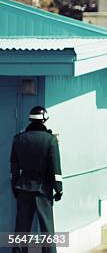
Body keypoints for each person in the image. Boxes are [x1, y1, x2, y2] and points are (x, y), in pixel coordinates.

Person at [10, 106, 63, 253]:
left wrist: (15, 187)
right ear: (44, 119)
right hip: (43, 189)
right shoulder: (50, 140)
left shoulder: (18, 139)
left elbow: (13, 168)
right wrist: (58, 189)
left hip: (23, 187)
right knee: (47, 230)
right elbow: (55, 168)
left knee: (21, 229)